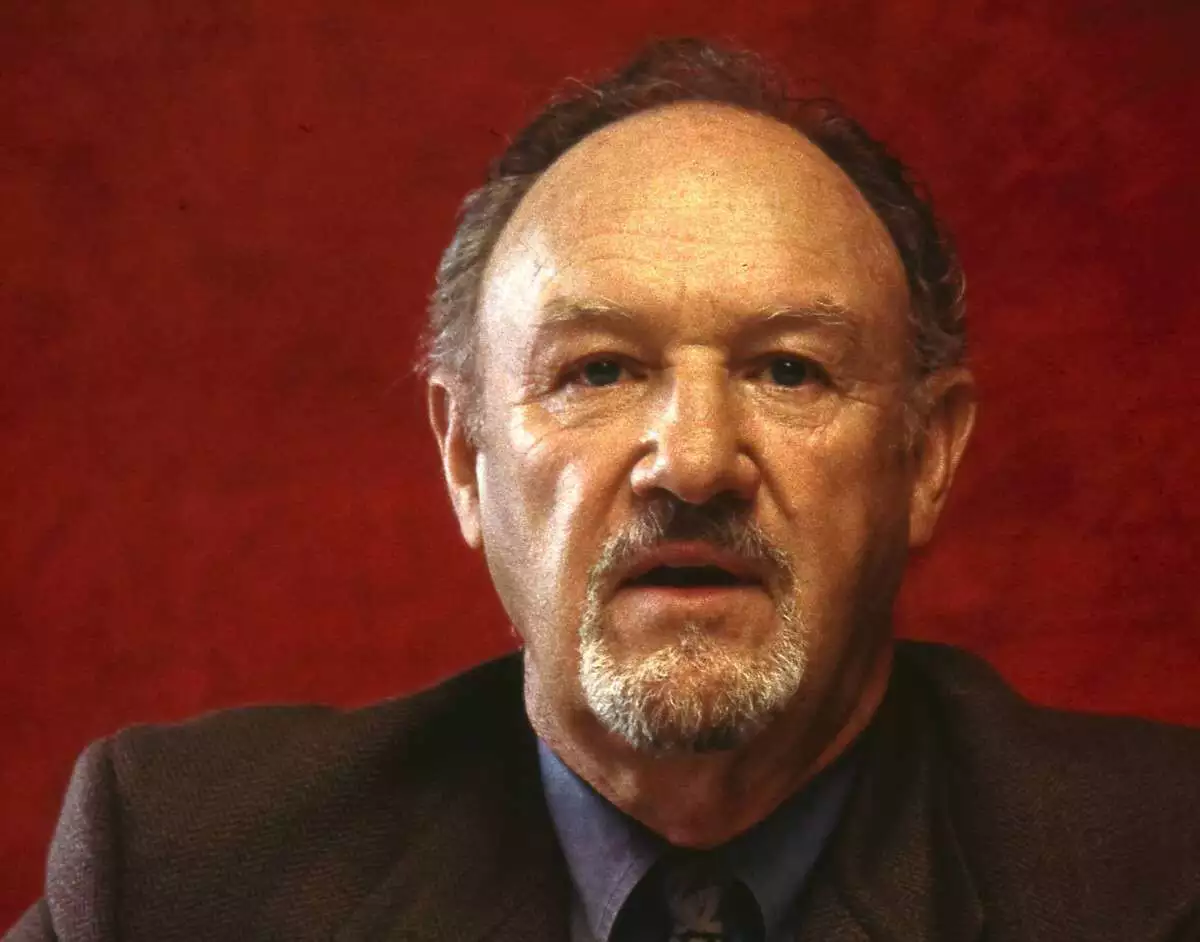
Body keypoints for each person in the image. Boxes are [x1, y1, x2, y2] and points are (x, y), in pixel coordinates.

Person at [7, 36, 1199, 942]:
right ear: (466, 458)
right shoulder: (179, 869)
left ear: (926, 456)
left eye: (789, 369)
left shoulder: (1161, 872)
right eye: (599, 371)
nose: (693, 462)